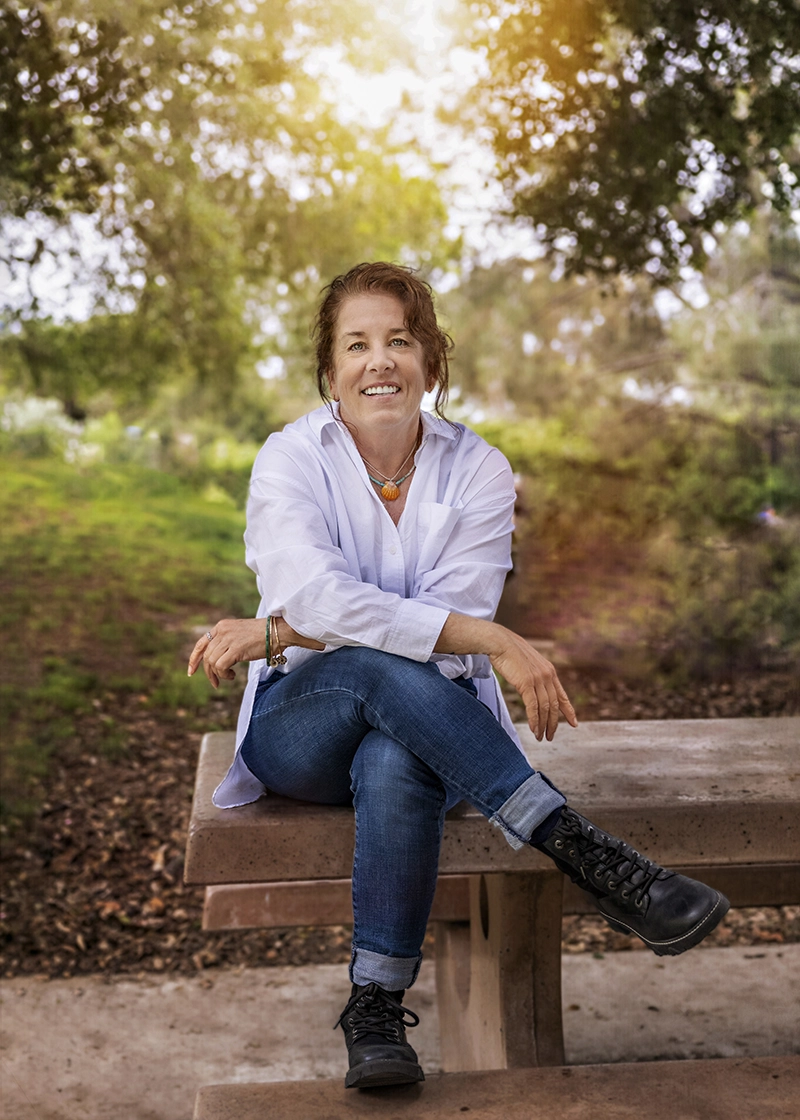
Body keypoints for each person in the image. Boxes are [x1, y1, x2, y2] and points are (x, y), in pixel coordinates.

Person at [187, 262, 729, 1090]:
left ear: (430, 362)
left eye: (399, 341)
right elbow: (333, 596)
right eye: (357, 344)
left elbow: (400, 634)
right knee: (368, 671)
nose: (380, 362)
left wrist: (286, 628)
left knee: (396, 750)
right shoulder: (289, 459)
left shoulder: (479, 469)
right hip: (303, 723)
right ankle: (581, 852)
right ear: (330, 371)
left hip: (429, 734)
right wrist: (494, 640)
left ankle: (374, 1011)